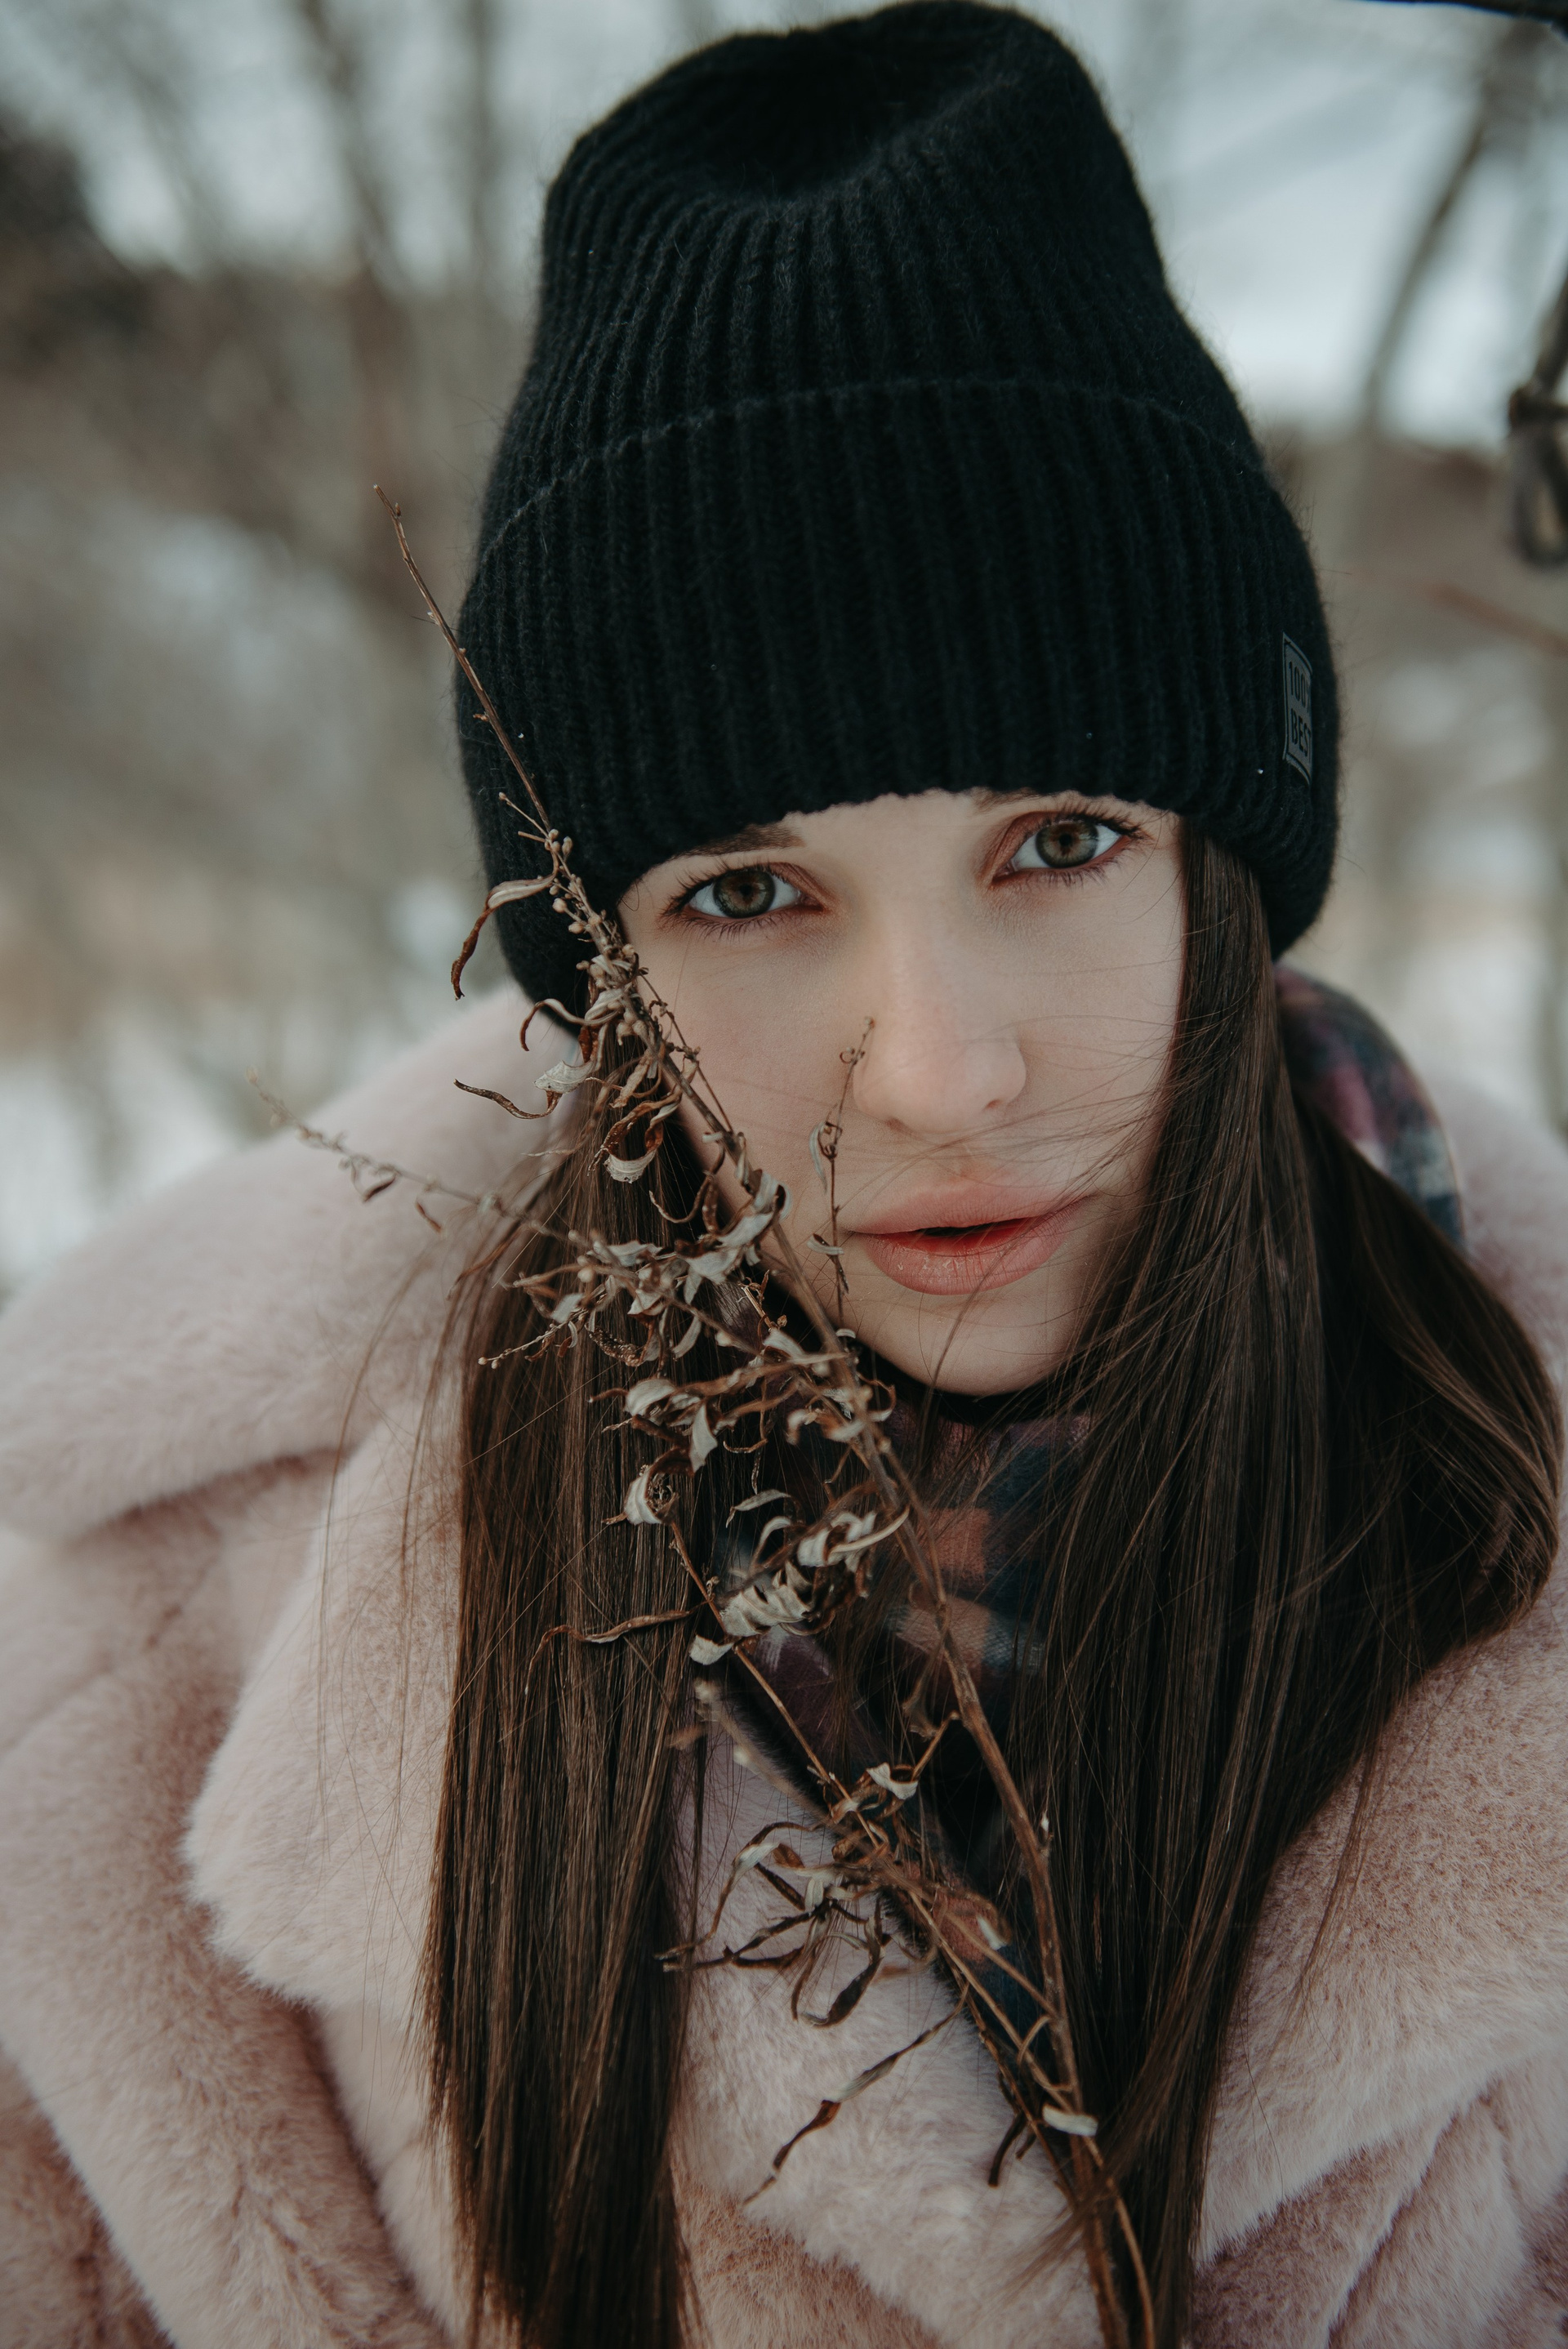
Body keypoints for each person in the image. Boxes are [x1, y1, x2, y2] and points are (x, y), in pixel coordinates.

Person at [2, 7, 1566, 2347]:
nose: (937, 1073)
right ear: (597, 967)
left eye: (1060, 840)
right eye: (748, 893)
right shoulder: (128, 1700)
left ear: (1222, 870)